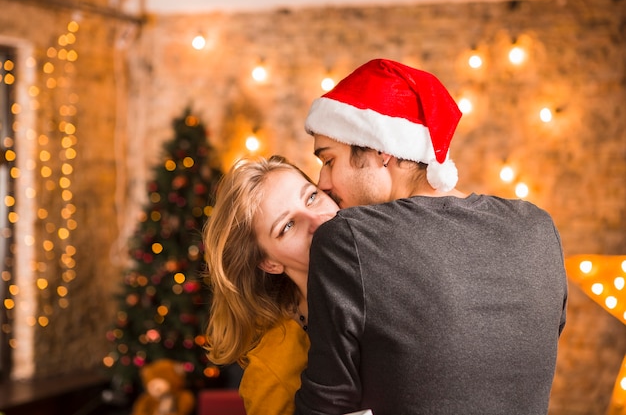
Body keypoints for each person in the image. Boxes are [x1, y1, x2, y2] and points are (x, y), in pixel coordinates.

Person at [294, 59, 568, 415]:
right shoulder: (538, 227)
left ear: (381, 150)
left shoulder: (347, 238)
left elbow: (327, 405)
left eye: (329, 160)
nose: (322, 182)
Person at [203, 155, 339, 415]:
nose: (317, 220)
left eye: (311, 196)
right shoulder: (270, 371)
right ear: (269, 263)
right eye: (287, 226)